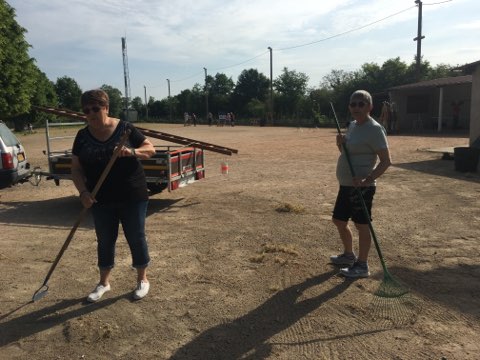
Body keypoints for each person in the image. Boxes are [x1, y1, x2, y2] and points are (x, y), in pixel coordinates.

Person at [71, 89, 156, 302]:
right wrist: (83, 192)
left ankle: (142, 279)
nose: (90, 113)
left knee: (136, 236)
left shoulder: (124, 129)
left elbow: (150, 149)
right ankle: (103, 283)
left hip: (132, 195)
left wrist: (131, 152)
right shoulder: (82, 136)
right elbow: (76, 169)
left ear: (106, 108)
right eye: (86, 110)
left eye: (95, 108)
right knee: (105, 240)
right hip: (100, 197)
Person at [330, 90, 391, 278]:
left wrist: (368, 179)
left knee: (362, 225)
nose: (356, 107)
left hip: (362, 187)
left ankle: (362, 265)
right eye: (353, 104)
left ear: (370, 107)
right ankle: (349, 255)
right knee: (339, 220)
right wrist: (339, 143)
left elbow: (386, 161)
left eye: (361, 104)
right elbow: (346, 153)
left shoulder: (374, 129)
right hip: (346, 184)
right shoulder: (353, 126)